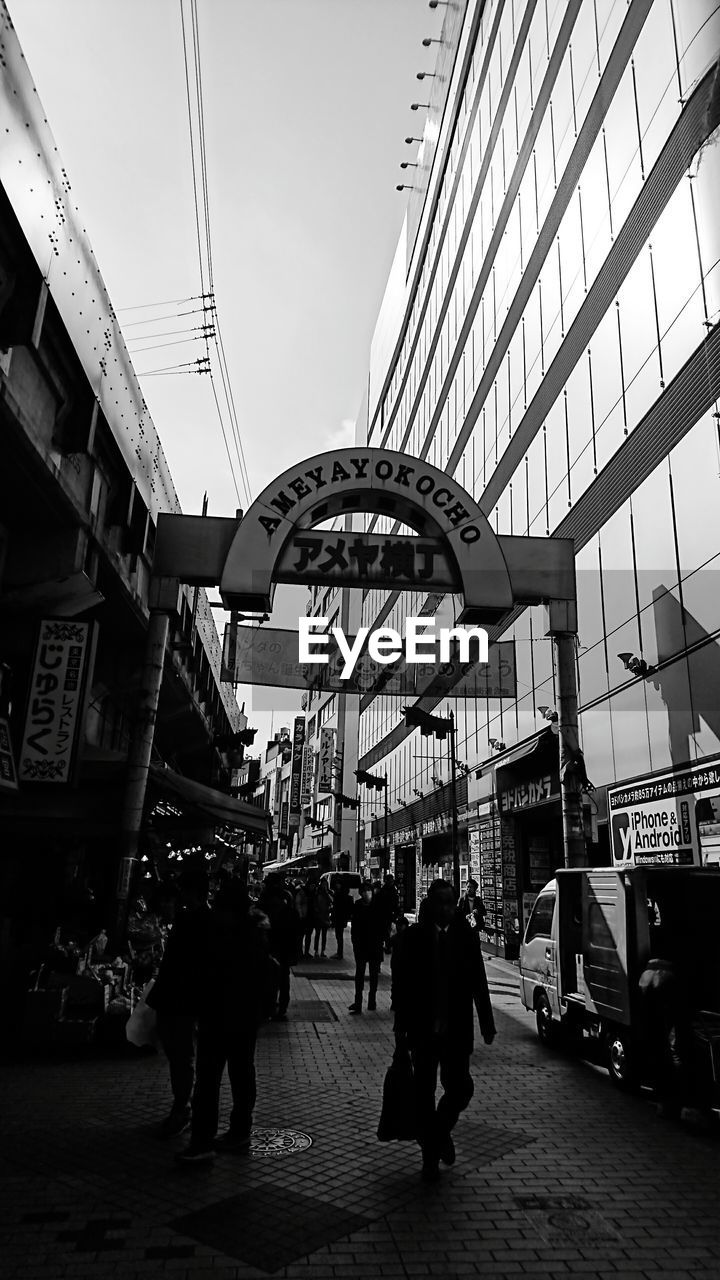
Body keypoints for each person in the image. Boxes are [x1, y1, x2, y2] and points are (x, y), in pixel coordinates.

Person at [391, 878, 496, 1182]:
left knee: (461, 1088)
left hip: (456, 1028)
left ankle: (438, 1133)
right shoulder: (413, 938)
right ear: (430, 905)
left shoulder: (465, 936)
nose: (448, 908)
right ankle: (430, 1159)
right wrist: (400, 1029)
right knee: (424, 1093)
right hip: (423, 1030)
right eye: (442, 902)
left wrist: (487, 1023)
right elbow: (402, 987)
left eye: (451, 902)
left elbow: (478, 979)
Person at [175, 879, 272, 1164]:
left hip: (219, 1016)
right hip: (245, 1017)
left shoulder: (222, 934)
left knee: (209, 1079)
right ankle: (238, 1130)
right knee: (241, 1074)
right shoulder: (255, 934)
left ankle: (204, 1139)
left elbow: (207, 974)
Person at [146, 869, 211, 1138]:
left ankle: (183, 1106)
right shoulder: (202, 919)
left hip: (181, 997)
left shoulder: (194, 920)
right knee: (180, 1053)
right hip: (181, 996)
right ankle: (183, 1104)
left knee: (181, 1054)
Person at [257, 875, 299, 1020]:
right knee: (282, 977)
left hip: (271, 944)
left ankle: (271, 1007)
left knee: (271, 977)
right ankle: (280, 1007)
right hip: (283, 944)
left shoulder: (265, 899)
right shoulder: (285, 897)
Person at [349, 880, 385, 1014]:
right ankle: (358, 1003)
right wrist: (354, 942)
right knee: (360, 975)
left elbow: (382, 924)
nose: (367, 893)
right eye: (364, 891)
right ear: (360, 893)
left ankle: (372, 1001)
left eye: (369, 890)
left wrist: (382, 941)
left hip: (375, 945)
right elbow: (354, 926)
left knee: (374, 975)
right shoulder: (357, 905)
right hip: (361, 946)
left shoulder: (378, 906)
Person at [377, 872, 401, 952]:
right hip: (385, 914)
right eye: (389, 881)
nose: (391, 882)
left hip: (388, 914)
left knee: (388, 930)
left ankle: (388, 945)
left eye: (391, 881)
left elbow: (396, 903)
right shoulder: (386, 890)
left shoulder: (388, 890)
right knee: (387, 930)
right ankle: (388, 945)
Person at [331, 880, 352, 959]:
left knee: (339, 935)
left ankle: (339, 953)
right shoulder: (345, 895)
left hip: (339, 917)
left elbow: (336, 907)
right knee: (339, 935)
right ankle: (339, 952)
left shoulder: (339, 895)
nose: (337, 885)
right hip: (342, 917)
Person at [313, 879, 332, 958]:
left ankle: (322, 951)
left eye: (325, 884)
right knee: (317, 934)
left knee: (324, 935)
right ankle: (316, 951)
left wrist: (327, 893)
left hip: (325, 915)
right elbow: (315, 903)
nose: (324, 886)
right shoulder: (317, 892)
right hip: (319, 916)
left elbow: (331, 901)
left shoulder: (328, 893)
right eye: (323, 884)